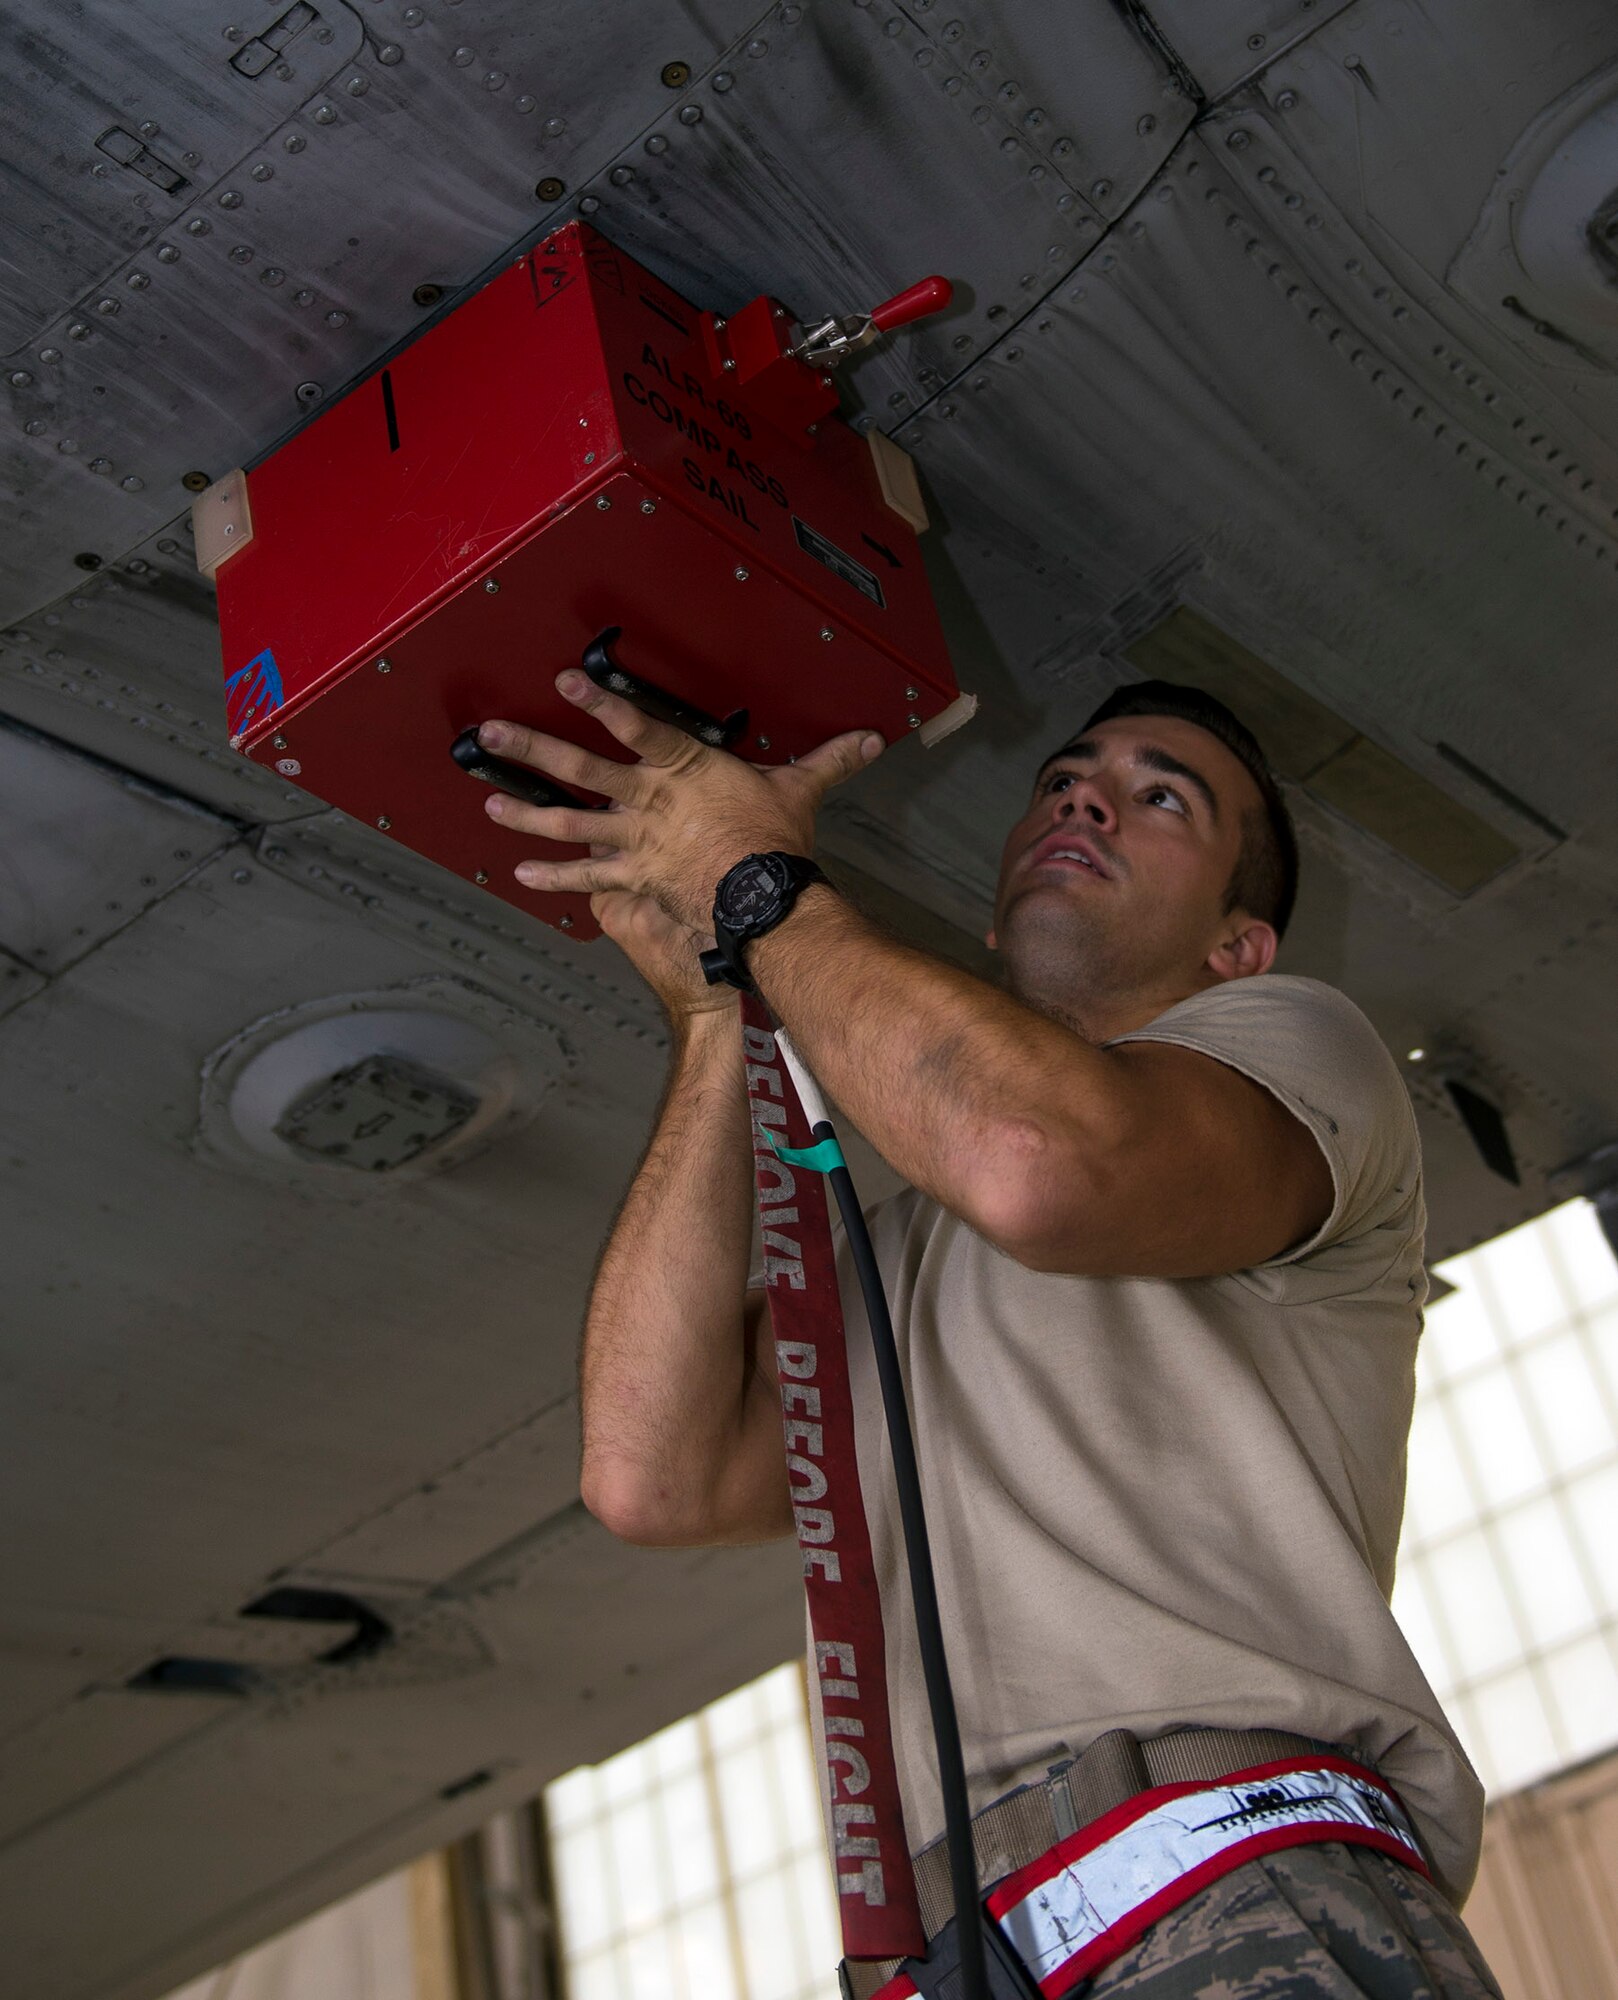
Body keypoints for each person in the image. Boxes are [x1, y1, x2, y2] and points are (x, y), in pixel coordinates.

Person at [475, 671, 1502, 1998]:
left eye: (1158, 796)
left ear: (1236, 945)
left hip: (1224, 1880)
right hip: (980, 1947)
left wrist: (753, 876)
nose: (1087, 794)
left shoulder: (1298, 1051)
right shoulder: (905, 1255)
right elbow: (649, 1472)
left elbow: (1036, 1166)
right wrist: (715, 1013)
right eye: (1066, 779)